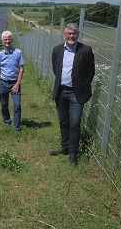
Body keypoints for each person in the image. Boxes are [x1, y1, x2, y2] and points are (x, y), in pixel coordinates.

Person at [50, 23, 95, 166]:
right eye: (69, 33)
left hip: (76, 93)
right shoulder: (57, 50)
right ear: (64, 34)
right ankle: (64, 147)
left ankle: (73, 153)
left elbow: (90, 72)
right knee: (63, 121)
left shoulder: (86, 50)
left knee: (75, 123)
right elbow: (55, 69)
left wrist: (82, 85)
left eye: (74, 34)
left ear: (78, 34)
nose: (71, 36)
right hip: (61, 91)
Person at [0, 30, 25, 132]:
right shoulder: (0, 55)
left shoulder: (18, 52)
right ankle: (6, 121)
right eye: (5, 40)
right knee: (3, 105)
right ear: (2, 41)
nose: (7, 41)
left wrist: (17, 84)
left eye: (9, 39)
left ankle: (16, 126)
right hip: (3, 83)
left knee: (17, 105)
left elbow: (21, 68)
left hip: (14, 83)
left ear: (12, 40)